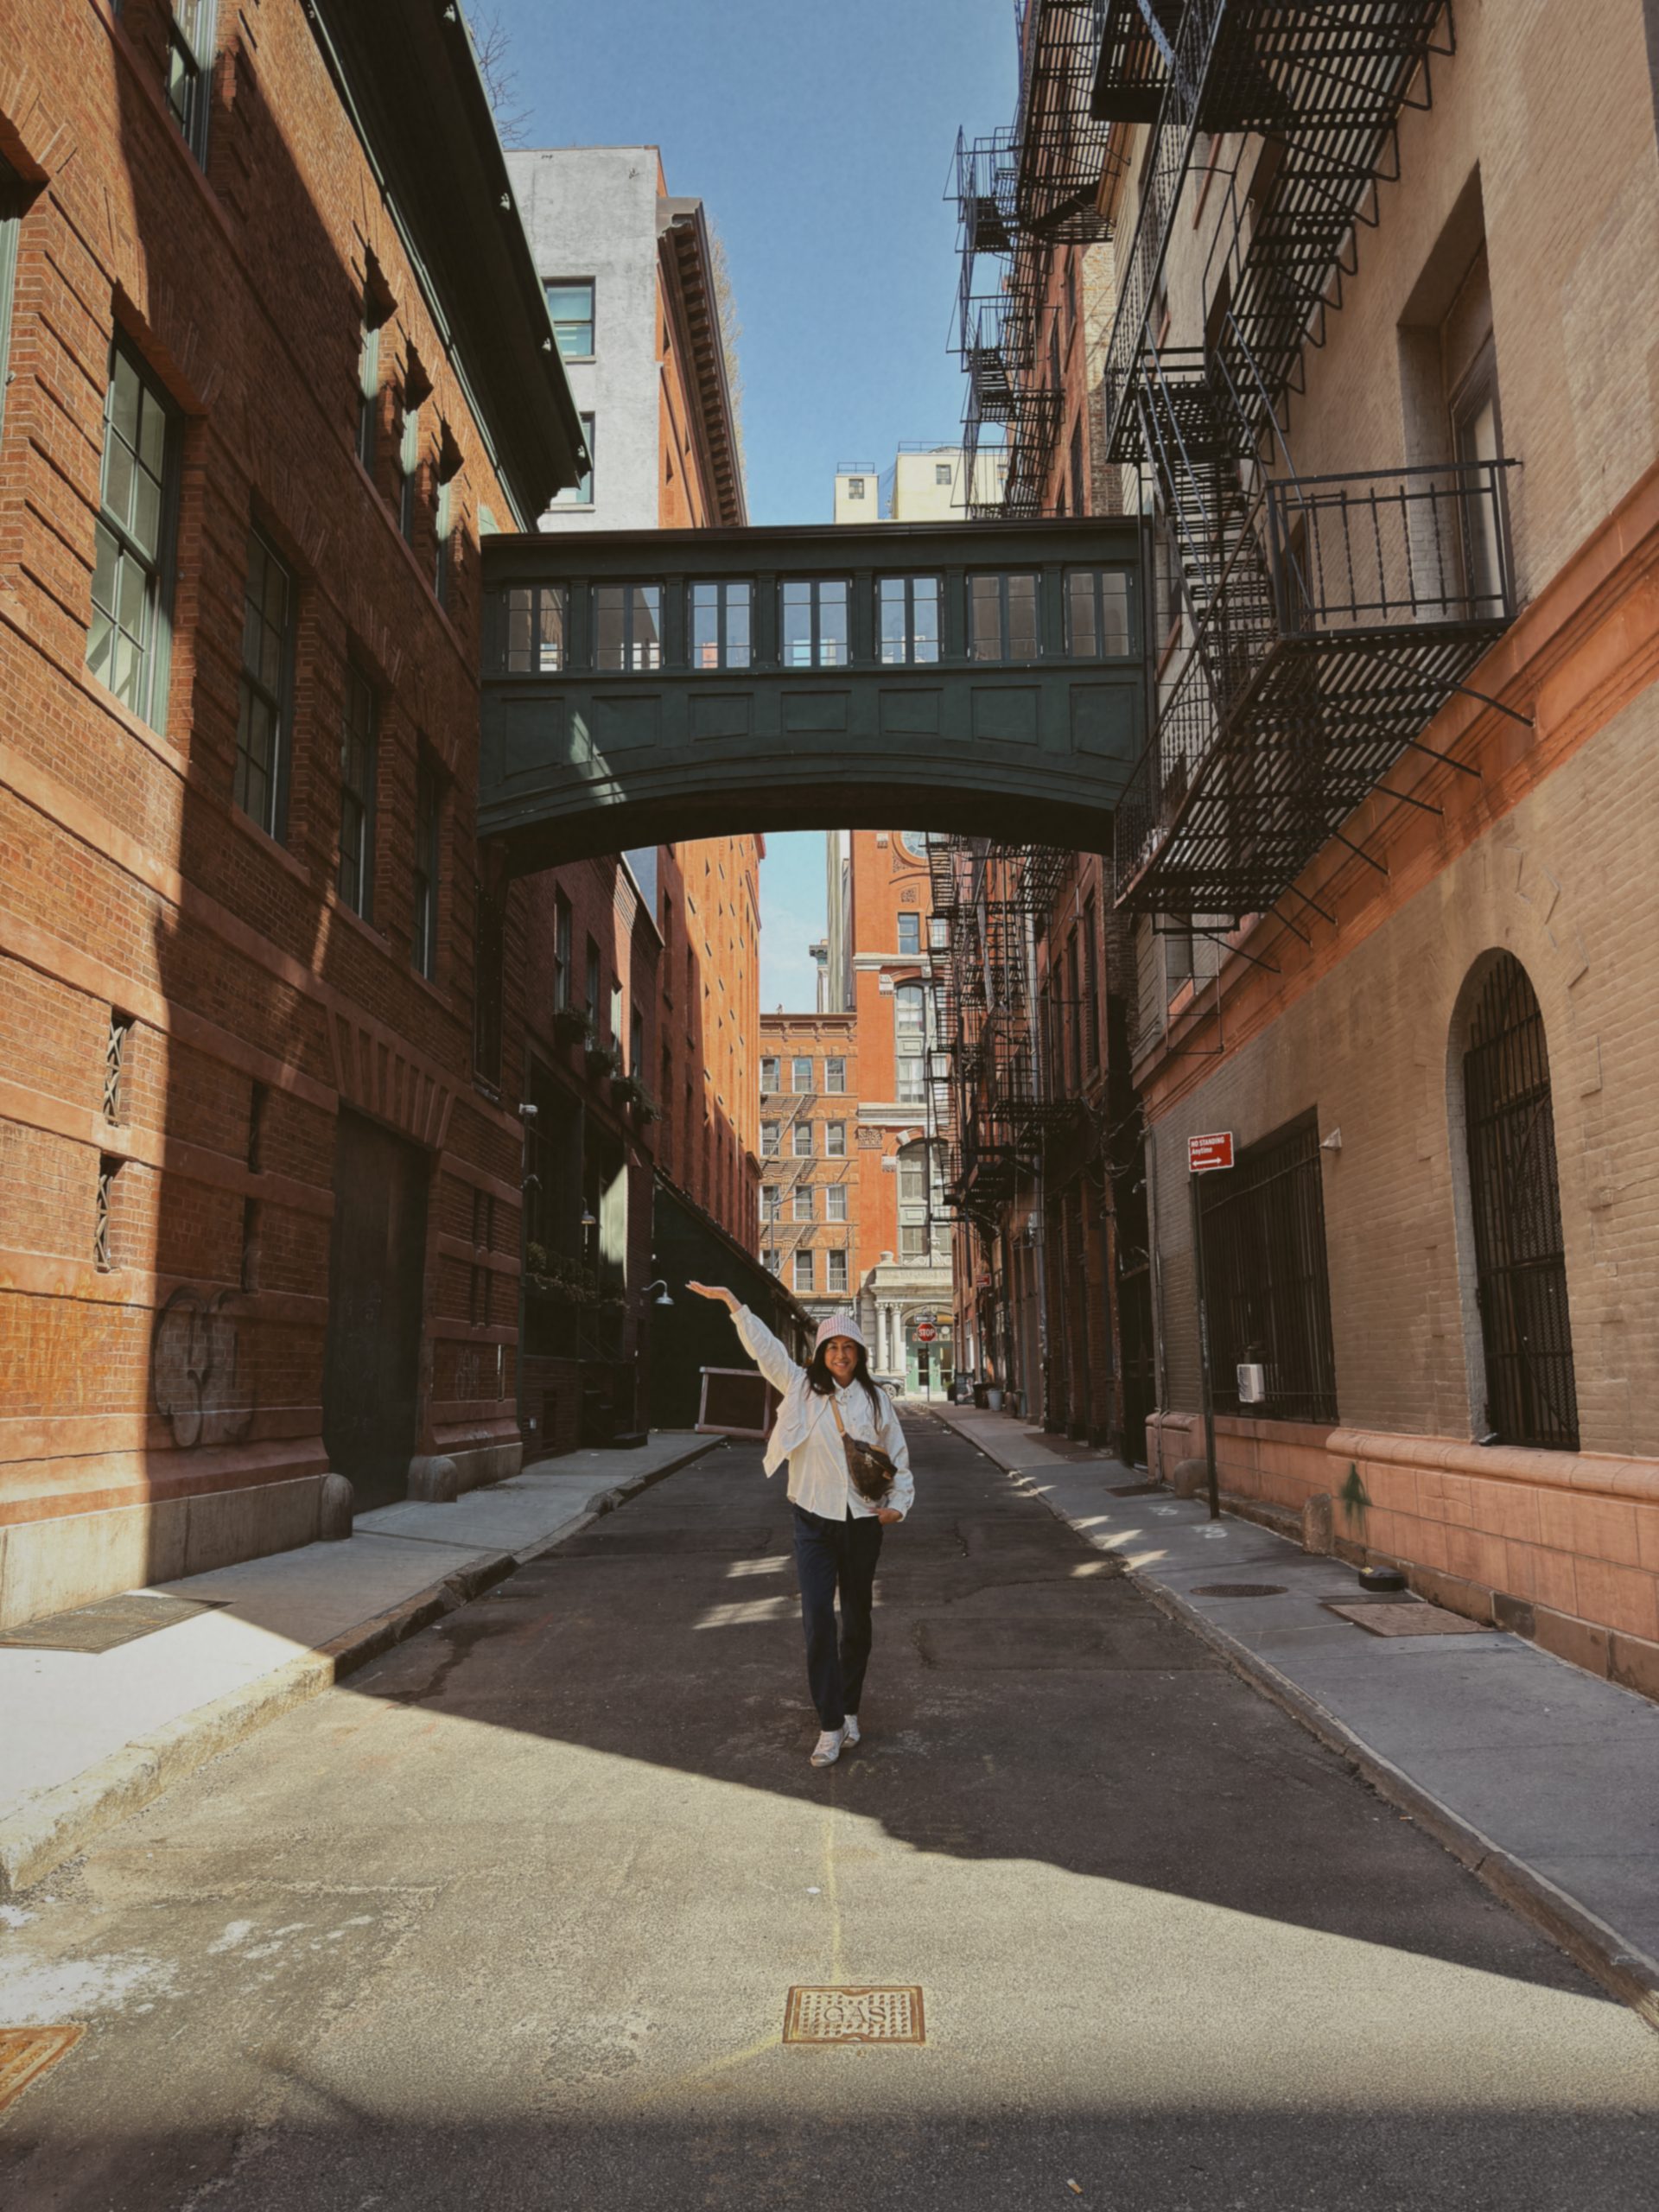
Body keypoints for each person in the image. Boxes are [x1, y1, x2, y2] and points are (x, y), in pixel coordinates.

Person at [687, 1284, 913, 1768]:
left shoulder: (876, 1400)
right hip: (812, 1519)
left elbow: (897, 1455)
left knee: (857, 1622)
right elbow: (766, 1350)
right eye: (832, 1347)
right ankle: (830, 1725)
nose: (840, 1355)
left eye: (848, 1347)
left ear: (860, 1353)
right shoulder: (800, 1387)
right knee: (817, 1620)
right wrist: (734, 1305)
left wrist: (899, 1504)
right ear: (820, 1353)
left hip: (862, 1521)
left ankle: (849, 1710)